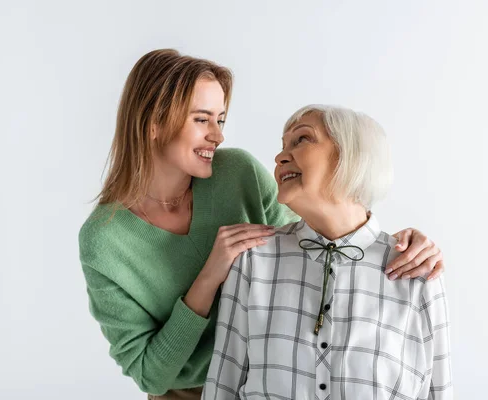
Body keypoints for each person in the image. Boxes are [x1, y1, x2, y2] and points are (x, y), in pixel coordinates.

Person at [78, 49, 445, 399]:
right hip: (187, 392)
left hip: (272, 381)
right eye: (202, 119)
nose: (218, 135)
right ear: (154, 122)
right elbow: (150, 374)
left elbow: (316, 236)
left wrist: (394, 242)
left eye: (220, 120)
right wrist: (209, 277)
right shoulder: (104, 240)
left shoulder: (237, 173)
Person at [202, 105, 452, 400]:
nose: (280, 157)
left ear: (352, 155)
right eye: (282, 146)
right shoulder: (253, 260)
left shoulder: (416, 270)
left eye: (302, 139)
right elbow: (223, 385)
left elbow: (437, 391)